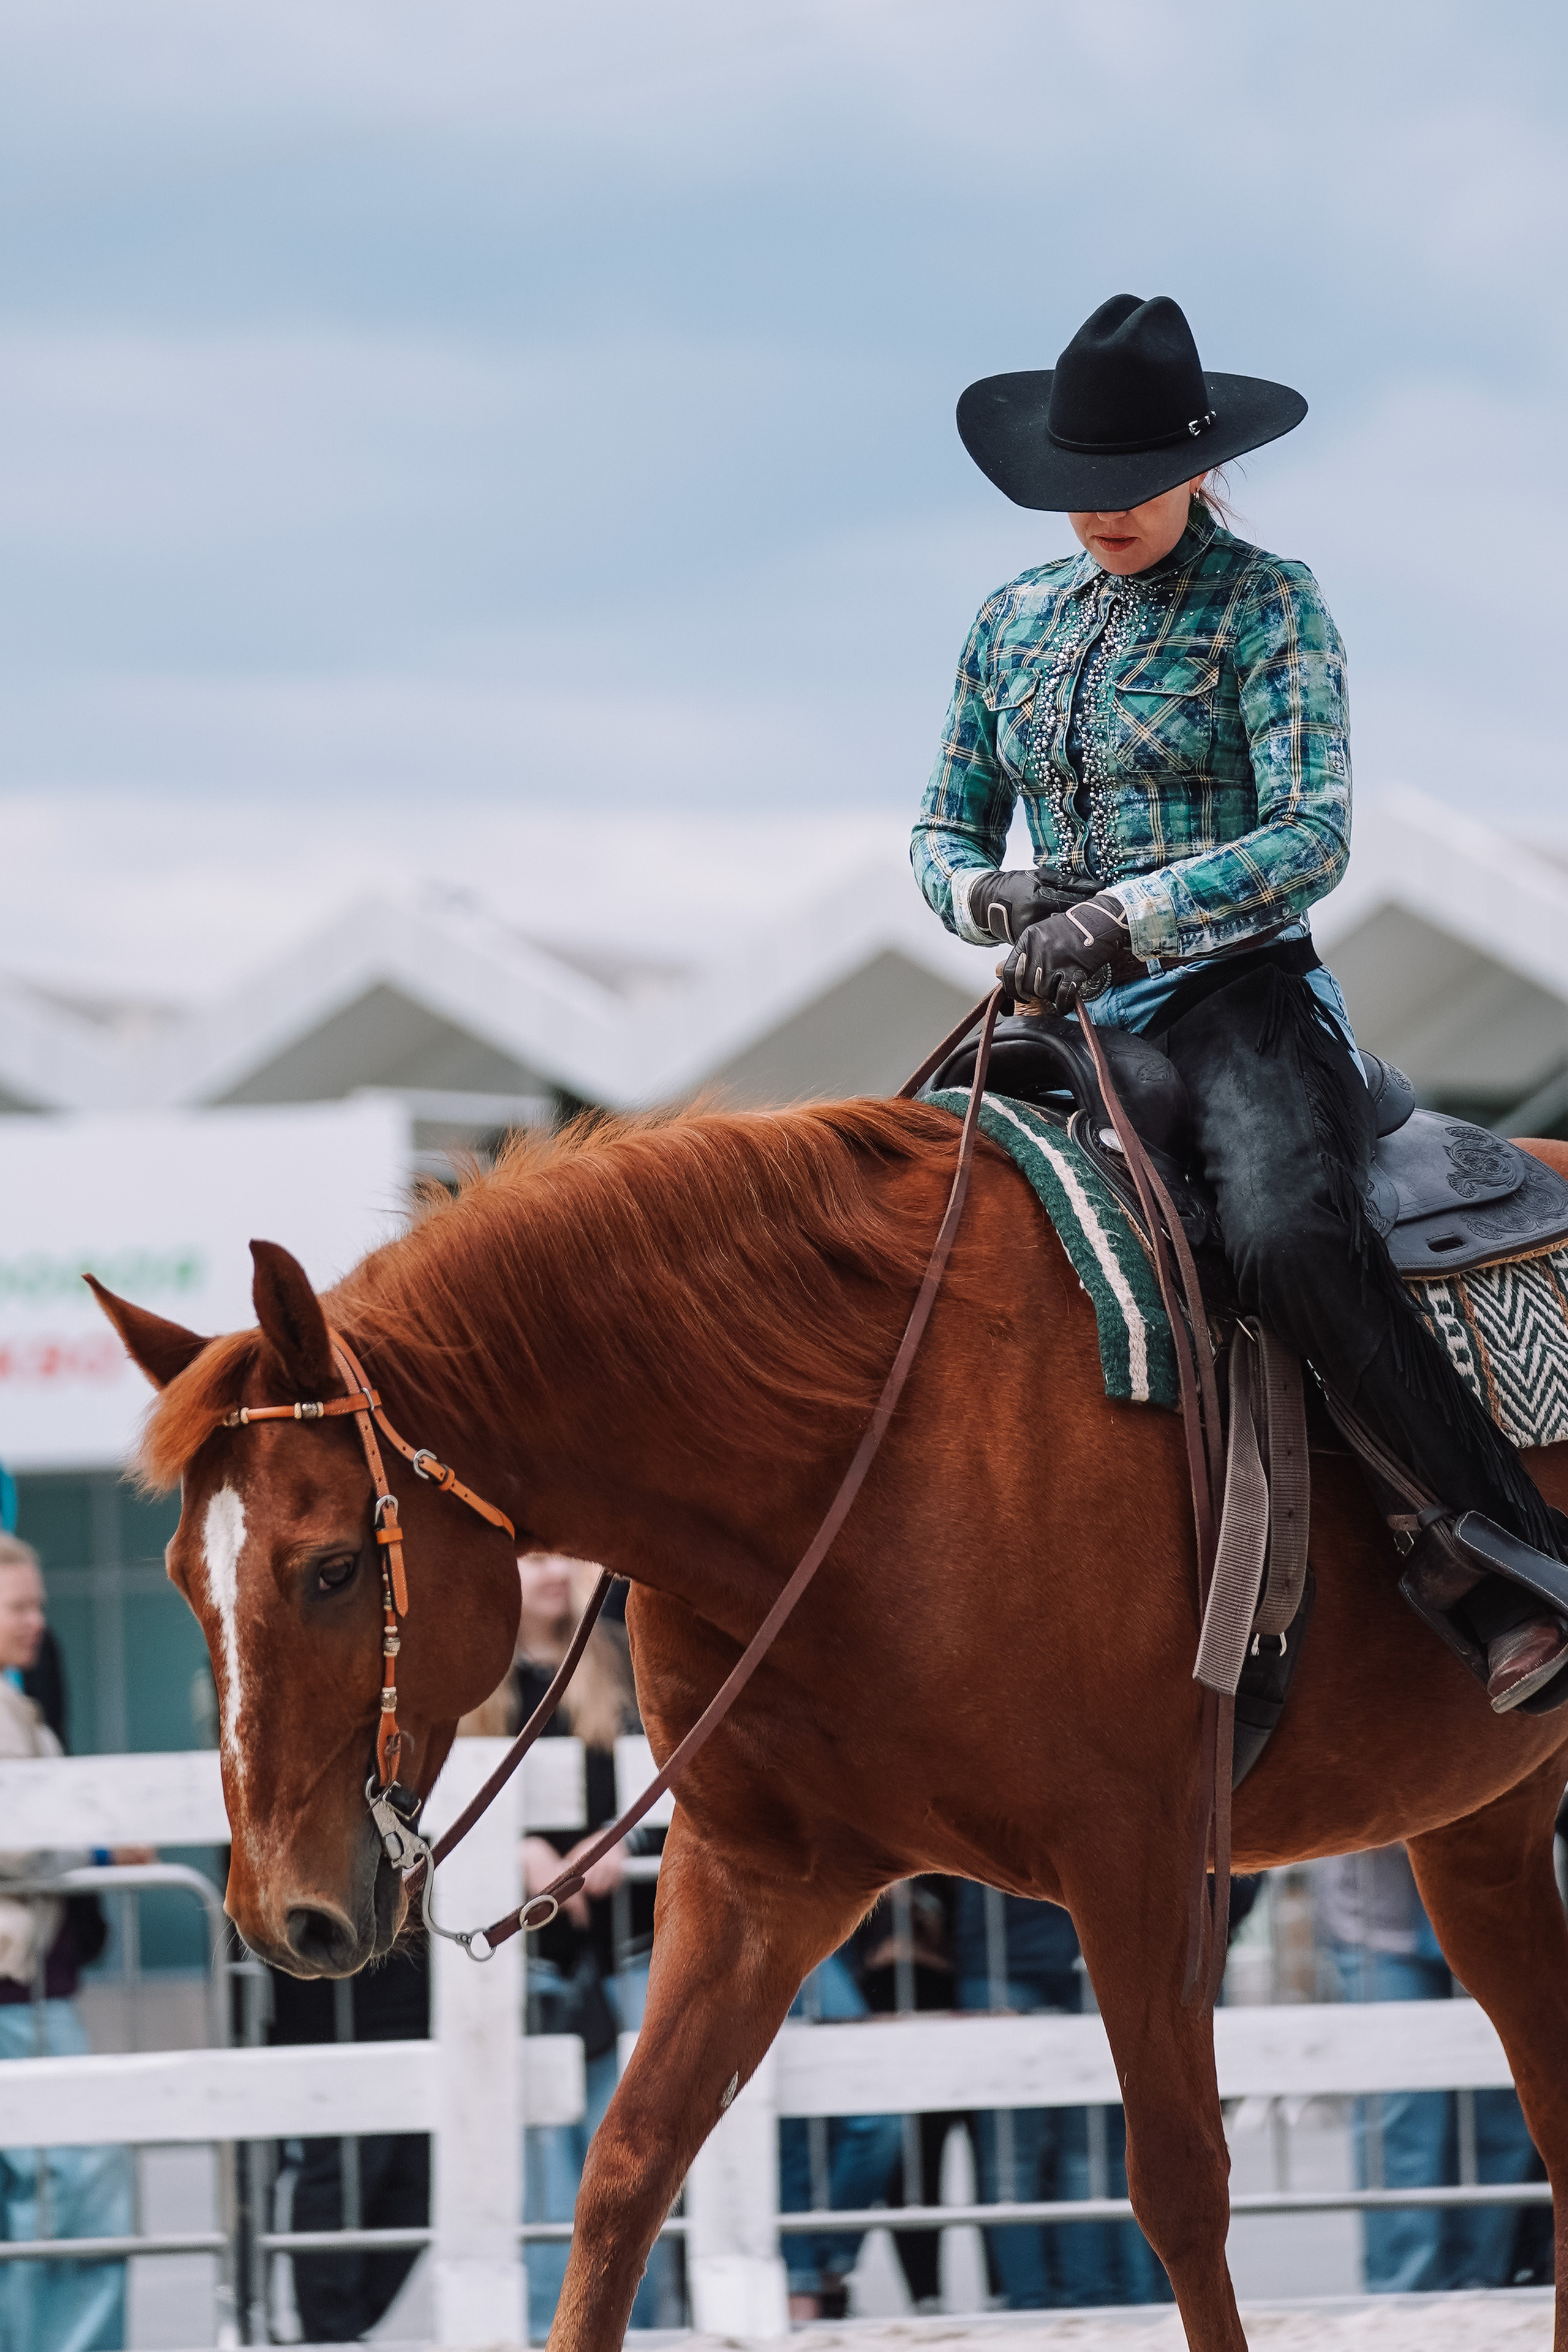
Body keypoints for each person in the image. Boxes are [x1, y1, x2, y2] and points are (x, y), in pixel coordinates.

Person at [913, 291, 1568, 1711]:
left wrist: (1124, 910)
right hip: (1055, 1017)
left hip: (1238, 998)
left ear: (1199, 467)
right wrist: (987, 895)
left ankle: (1495, 1558)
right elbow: (940, 828)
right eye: (1082, 482)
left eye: (1137, 480)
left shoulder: (1270, 604)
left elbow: (1309, 835)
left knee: (1282, 1235)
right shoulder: (1006, 621)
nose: (1106, 509)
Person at [463, 1553, 669, 2342]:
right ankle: (551, 2330)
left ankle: (644, 2329)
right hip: (534, 1960)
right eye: (533, 1558)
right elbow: (447, 1799)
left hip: (629, 1945)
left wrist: (616, 1843)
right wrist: (517, 1853)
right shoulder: (475, 1675)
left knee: (640, 2152)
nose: (553, 1572)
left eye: (561, 1555)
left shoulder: (615, 1658)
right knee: (548, 2159)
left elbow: (668, 1777)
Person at [0, 1532, 134, 2352]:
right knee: (80, 2186)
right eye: (19, 1606)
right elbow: (17, 1839)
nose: (37, 1622)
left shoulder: (20, 1705)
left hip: (31, 1985)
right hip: (18, 1995)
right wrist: (100, 1848)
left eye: (39, 1605)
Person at [1316, 1846, 1543, 2293]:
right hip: (1383, 1923)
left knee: (1503, 2103)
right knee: (1402, 2110)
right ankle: (1405, 2292)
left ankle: (1479, 2283)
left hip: (1498, 1916)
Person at [269, 1942, 431, 2342]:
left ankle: (339, 2330)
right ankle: (332, 2333)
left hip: (415, 1998)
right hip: (330, 2006)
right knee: (343, 2176)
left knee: (416, 2184)